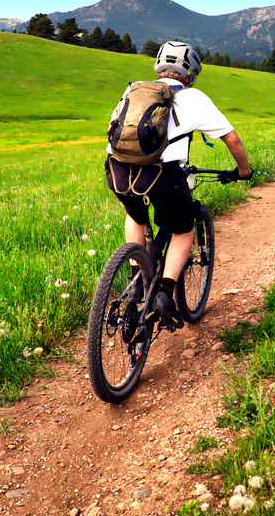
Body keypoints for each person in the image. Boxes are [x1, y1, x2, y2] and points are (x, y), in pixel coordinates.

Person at [105, 41, 252, 326]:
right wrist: (243, 171)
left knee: (135, 212)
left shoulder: (134, 89)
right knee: (183, 229)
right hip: (164, 176)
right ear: (191, 73)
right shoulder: (194, 97)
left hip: (119, 170)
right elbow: (232, 139)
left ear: (159, 66)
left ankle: (136, 277)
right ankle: (164, 294)